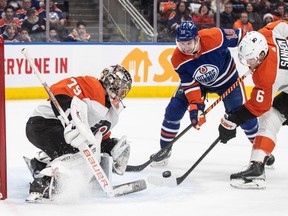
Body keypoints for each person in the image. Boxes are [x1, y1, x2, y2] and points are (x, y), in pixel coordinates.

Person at [151, 20, 260, 167]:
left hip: (227, 81)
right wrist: (196, 107)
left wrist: (256, 55)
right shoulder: (177, 59)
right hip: (199, 84)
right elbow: (190, 85)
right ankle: (164, 150)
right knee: (173, 110)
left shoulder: (214, 36)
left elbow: (244, 37)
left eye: (188, 43)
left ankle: (261, 152)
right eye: (181, 43)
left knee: (243, 115)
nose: (185, 48)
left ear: (197, 38)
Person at [25, 65, 132, 202]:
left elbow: (99, 137)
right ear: (110, 81)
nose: (121, 93)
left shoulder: (112, 114)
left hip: (60, 132)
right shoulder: (92, 86)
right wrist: (71, 117)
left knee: (84, 154)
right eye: (120, 87)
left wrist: (112, 147)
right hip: (44, 123)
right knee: (77, 154)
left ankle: (41, 164)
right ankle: (43, 183)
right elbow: (59, 90)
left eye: (124, 90)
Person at [218, 20, 288, 189]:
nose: (249, 64)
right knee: (272, 116)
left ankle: (257, 168)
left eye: (251, 60)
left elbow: (259, 106)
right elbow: (283, 24)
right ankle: (257, 167)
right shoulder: (266, 34)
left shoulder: (266, 76)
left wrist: (233, 119)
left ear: (262, 54)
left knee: (269, 117)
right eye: (245, 60)